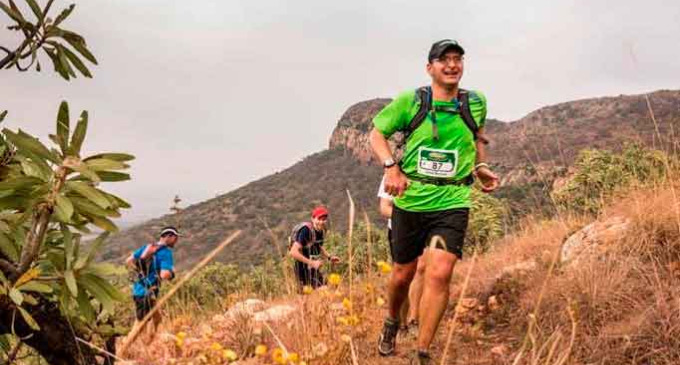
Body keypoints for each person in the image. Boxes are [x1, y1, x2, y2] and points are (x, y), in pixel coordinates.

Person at [369, 39, 499, 363]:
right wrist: (391, 168)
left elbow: (477, 136)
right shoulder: (411, 102)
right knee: (403, 274)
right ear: (430, 68)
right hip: (412, 200)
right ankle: (391, 321)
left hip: (453, 198)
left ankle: (423, 350)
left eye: (458, 59)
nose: (452, 65)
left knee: (440, 272)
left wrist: (480, 166)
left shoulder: (476, 102)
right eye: (445, 60)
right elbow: (376, 134)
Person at [378, 175, 424, 337]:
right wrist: (408, 218)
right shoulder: (392, 173)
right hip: (400, 230)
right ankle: (402, 323)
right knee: (404, 276)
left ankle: (414, 320)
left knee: (420, 270)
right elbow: (384, 207)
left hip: (425, 228)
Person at [126, 226, 178, 327]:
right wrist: (172, 272)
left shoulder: (147, 247)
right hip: (149, 291)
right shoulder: (166, 252)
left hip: (138, 288)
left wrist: (140, 271)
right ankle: (129, 342)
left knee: (157, 318)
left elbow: (128, 261)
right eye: (175, 238)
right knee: (141, 324)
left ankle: (150, 340)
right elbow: (164, 275)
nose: (176, 241)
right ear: (169, 236)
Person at [288, 206, 339, 290]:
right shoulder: (306, 231)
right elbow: (293, 252)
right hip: (302, 269)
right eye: (319, 219)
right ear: (313, 219)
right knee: (316, 292)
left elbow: (318, 246)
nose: (321, 222)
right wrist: (311, 263)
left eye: (324, 219)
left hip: (313, 269)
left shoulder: (321, 231)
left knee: (327, 288)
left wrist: (329, 257)